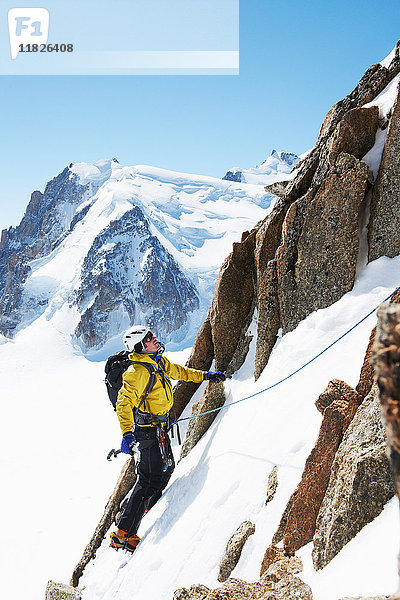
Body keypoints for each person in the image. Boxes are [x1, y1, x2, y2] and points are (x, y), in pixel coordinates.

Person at [110, 325, 226, 552]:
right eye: (149, 338)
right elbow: (123, 402)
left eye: (152, 335)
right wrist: (127, 434)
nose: (155, 339)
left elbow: (180, 372)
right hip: (147, 431)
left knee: (167, 468)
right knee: (147, 480)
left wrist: (206, 376)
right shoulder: (138, 372)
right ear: (140, 346)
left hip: (160, 428)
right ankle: (124, 534)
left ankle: (143, 509)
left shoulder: (158, 363)